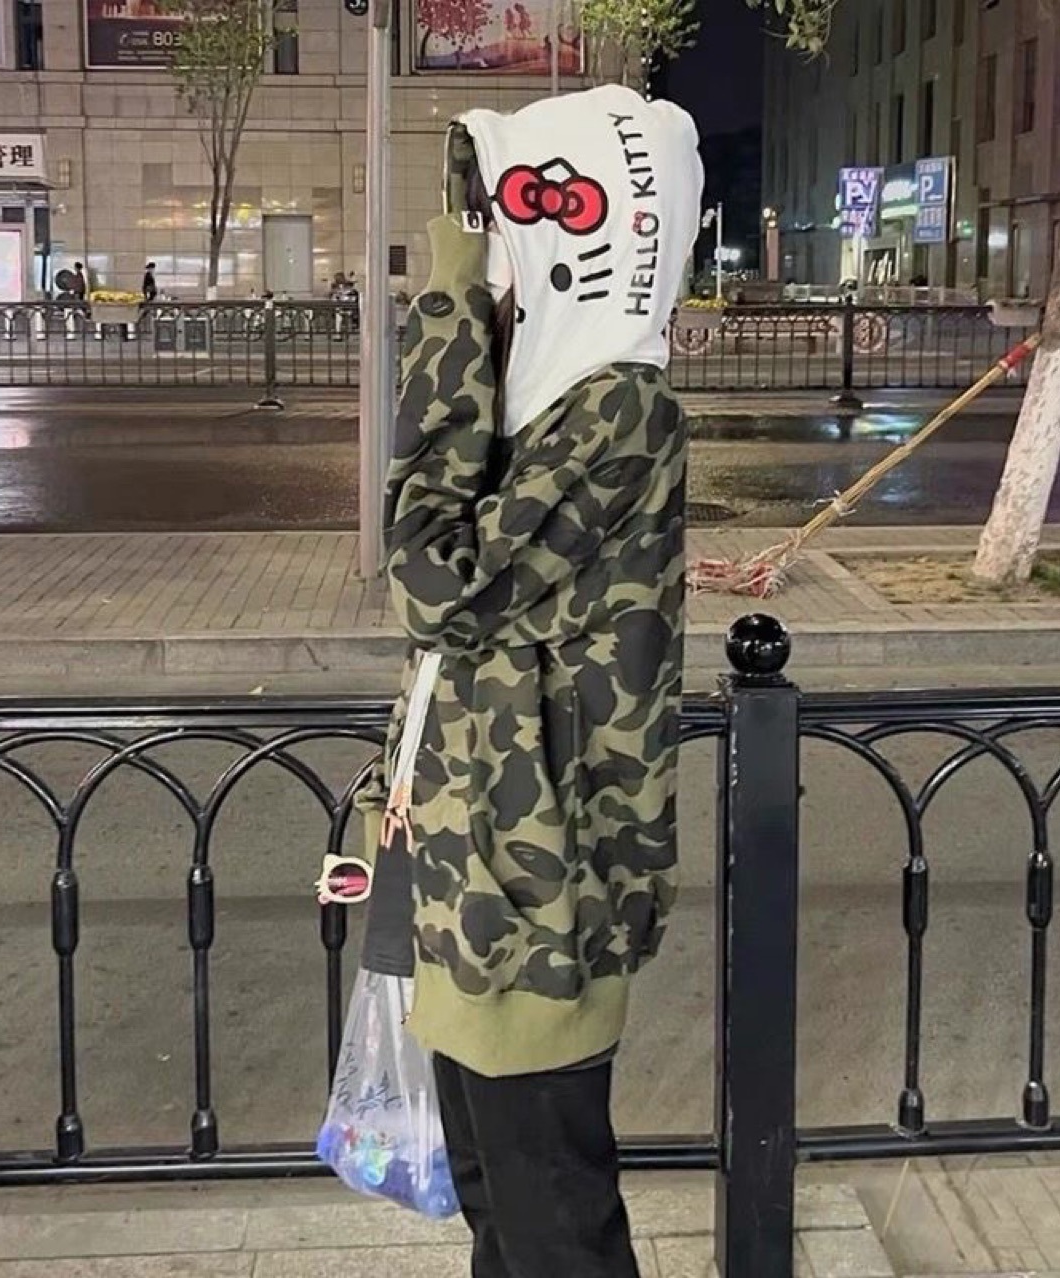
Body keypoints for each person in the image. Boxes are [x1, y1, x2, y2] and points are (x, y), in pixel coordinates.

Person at [357, 84, 703, 1277]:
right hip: (476, 888)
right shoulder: (548, 404)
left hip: (538, 904)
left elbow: (436, 581)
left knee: (554, 1230)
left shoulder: (618, 409)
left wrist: (447, 306)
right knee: (499, 1217)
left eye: (502, 230)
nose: (491, 258)